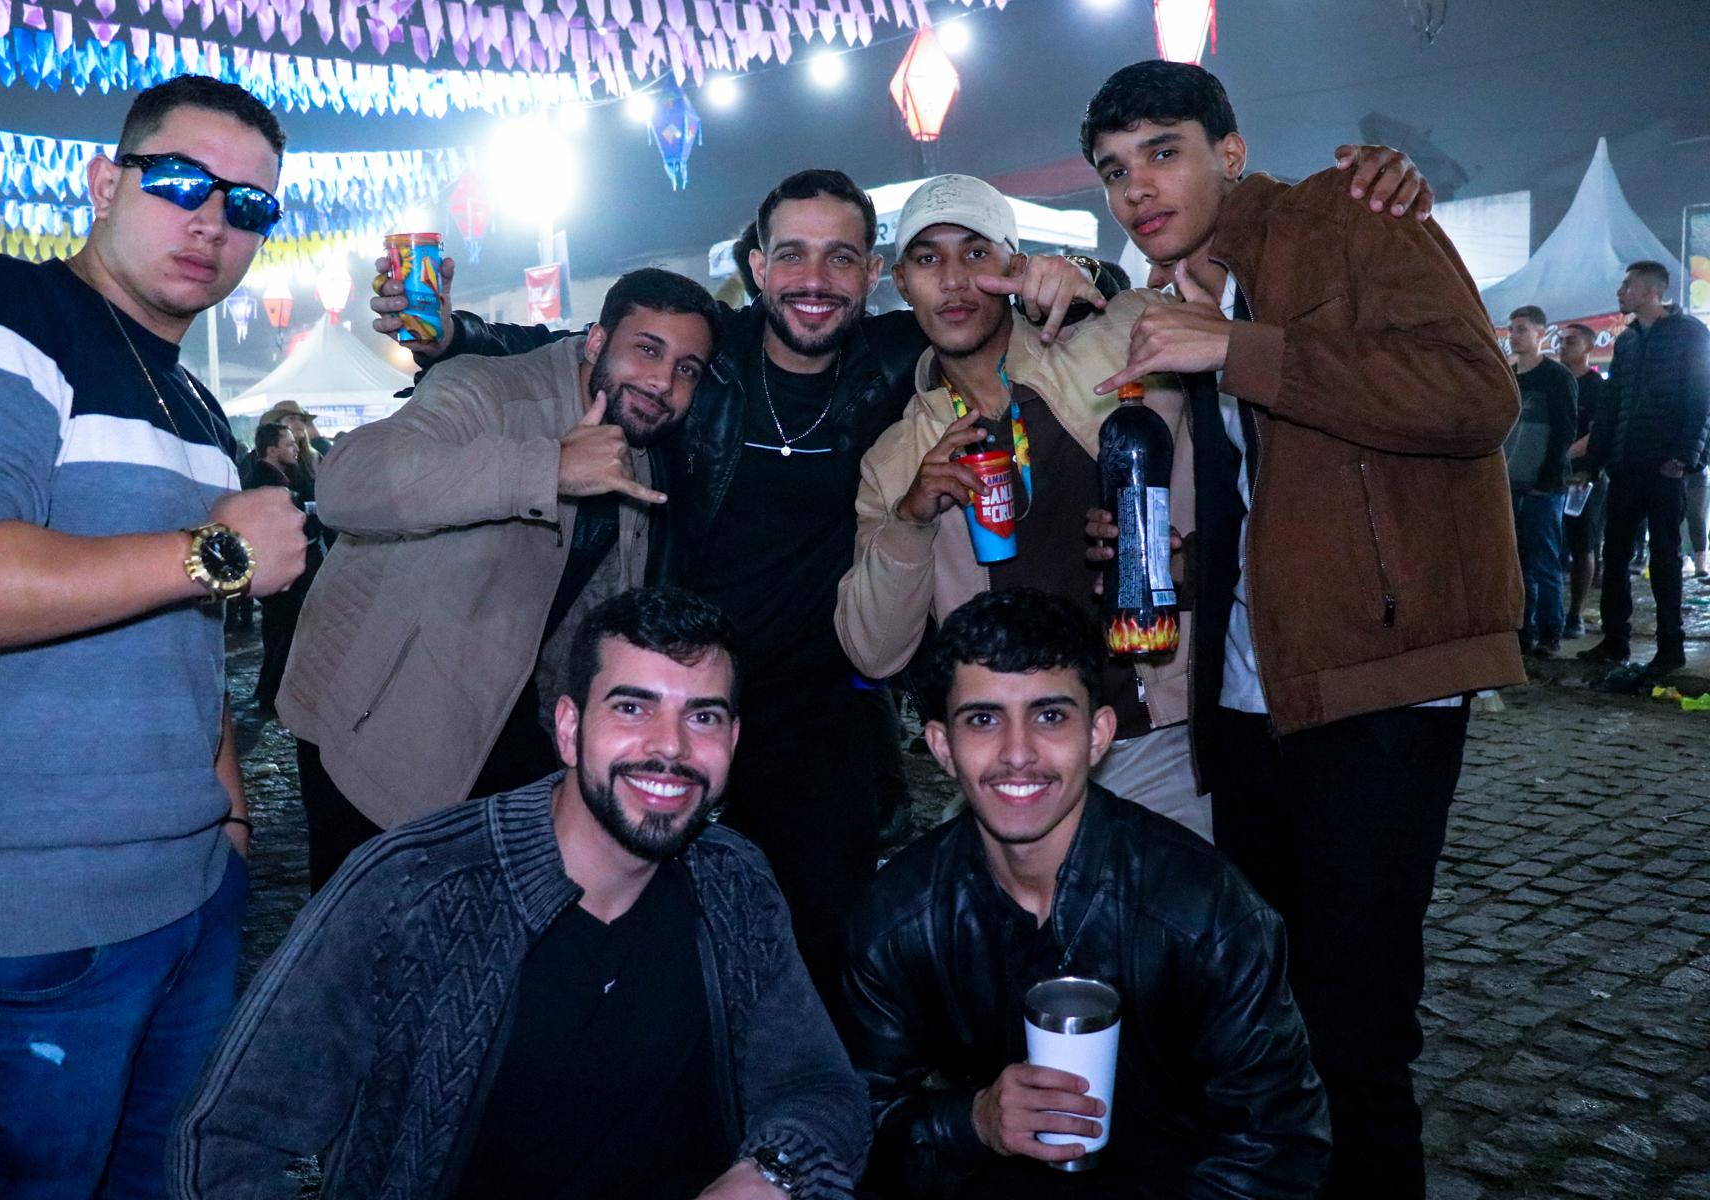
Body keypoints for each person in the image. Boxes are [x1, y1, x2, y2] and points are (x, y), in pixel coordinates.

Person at [372, 156, 1426, 995]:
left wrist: (1090, 276)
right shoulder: (716, 359)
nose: (816, 278)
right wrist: (455, 334)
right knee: (662, 927)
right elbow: (601, 348)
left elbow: (1151, 323)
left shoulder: (908, 358)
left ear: (872, 275)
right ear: (756, 264)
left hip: (861, 717)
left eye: (843, 257)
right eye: (793, 254)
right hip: (698, 697)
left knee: (913, 942)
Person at [0, 75, 307, 1200]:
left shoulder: (194, 399)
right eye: (181, 181)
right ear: (105, 182)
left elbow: (180, 638)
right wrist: (218, 553)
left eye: (250, 204)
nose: (213, 219)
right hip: (29, 915)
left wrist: (230, 820)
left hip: (188, 892)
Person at [1078, 60, 1522, 1200]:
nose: (1136, 187)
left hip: (1376, 688)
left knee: (1356, 1033)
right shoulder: (1187, 291)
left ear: (1230, 151)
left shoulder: (1349, 215)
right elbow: (1282, 491)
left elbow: (1477, 394)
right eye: (1113, 169)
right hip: (1248, 701)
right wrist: (1173, 550)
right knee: (1268, 1018)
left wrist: (1244, 350)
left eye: (1163, 151)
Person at [173, 587, 933, 1200]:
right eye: (632, 708)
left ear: (732, 741)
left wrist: (763, 1182)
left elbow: (819, 1087)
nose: (670, 747)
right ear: (569, 729)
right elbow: (224, 1143)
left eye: (702, 716)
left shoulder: (730, 880)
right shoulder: (418, 889)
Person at [842, 589, 1329, 1200]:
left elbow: (1281, 1147)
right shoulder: (897, 917)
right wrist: (974, 1119)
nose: (1017, 754)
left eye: (1049, 716)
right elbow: (858, 1128)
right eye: (983, 719)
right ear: (942, 747)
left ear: (1097, 735)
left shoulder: (1204, 909)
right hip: (1003, 1195)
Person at [278, 268, 721, 890]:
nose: (662, 381)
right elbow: (348, 484)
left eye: (686, 369)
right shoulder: (487, 388)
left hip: (516, 744)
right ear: (596, 341)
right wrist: (549, 467)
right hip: (382, 733)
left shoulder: (641, 450)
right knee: (370, 931)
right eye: (647, 350)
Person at [835, 174, 1210, 839]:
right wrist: (912, 520)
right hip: (1014, 755)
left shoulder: (1119, 339)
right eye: (928, 259)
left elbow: (1220, 306)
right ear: (901, 282)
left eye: (976, 253)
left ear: (1015, 266)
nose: (953, 280)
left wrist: (1091, 277)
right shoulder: (893, 460)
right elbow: (873, 652)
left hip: (1154, 732)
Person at [1580, 261, 1710, 677]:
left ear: (1653, 290)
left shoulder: (1690, 333)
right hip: (1625, 466)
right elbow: (1611, 405)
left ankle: (1670, 648)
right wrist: (1594, 463)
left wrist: (1684, 457)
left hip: (1665, 466)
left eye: (1628, 285)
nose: (1620, 292)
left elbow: (1700, 397)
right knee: (1614, 555)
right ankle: (1614, 640)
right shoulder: (1628, 341)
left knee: (1665, 557)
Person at [1503, 306, 1578, 657]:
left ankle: (1550, 631)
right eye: (1511, 329)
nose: (1513, 335)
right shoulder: (1509, 377)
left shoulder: (1557, 377)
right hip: (1510, 481)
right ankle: (1524, 630)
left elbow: (1564, 432)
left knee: (1544, 561)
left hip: (1542, 486)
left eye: (1521, 329)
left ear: (1540, 333)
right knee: (1518, 563)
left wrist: (1546, 479)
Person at [243, 420, 323, 713]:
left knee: (277, 631)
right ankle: (273, 696)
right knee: (286, 631)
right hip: (278, 570)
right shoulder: (267, 482)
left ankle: (268, 691)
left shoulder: (274, 477)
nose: (295, 449)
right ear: (272, 448)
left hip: (276, 568)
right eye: (288, 444)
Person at [1559, 323, 1608, 637]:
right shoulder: (1555, 381)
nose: (1563, 346)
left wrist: (1567, 455)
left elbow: (1599, 433)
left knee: (1582, 546)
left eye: (1571, 341)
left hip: (1584, 477)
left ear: (1589, 347)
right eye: (1561, 341)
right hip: (1552, 476)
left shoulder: (1597, 387)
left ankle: (1575, 614)